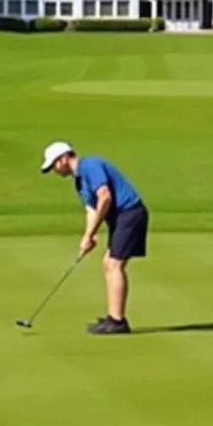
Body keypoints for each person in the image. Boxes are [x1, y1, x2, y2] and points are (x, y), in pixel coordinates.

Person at [40, 140, 149, 335]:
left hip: (130, 213)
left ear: (64, 158)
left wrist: (91, 233)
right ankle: (113, 316)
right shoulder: (79, 181)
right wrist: (87, 237)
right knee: (108, 262)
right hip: (119, 217)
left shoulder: (90, 165)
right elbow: (91, 210)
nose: (55, 171)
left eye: (54, 165)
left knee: (115, 264)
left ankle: (118, 322)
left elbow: (104, 196)